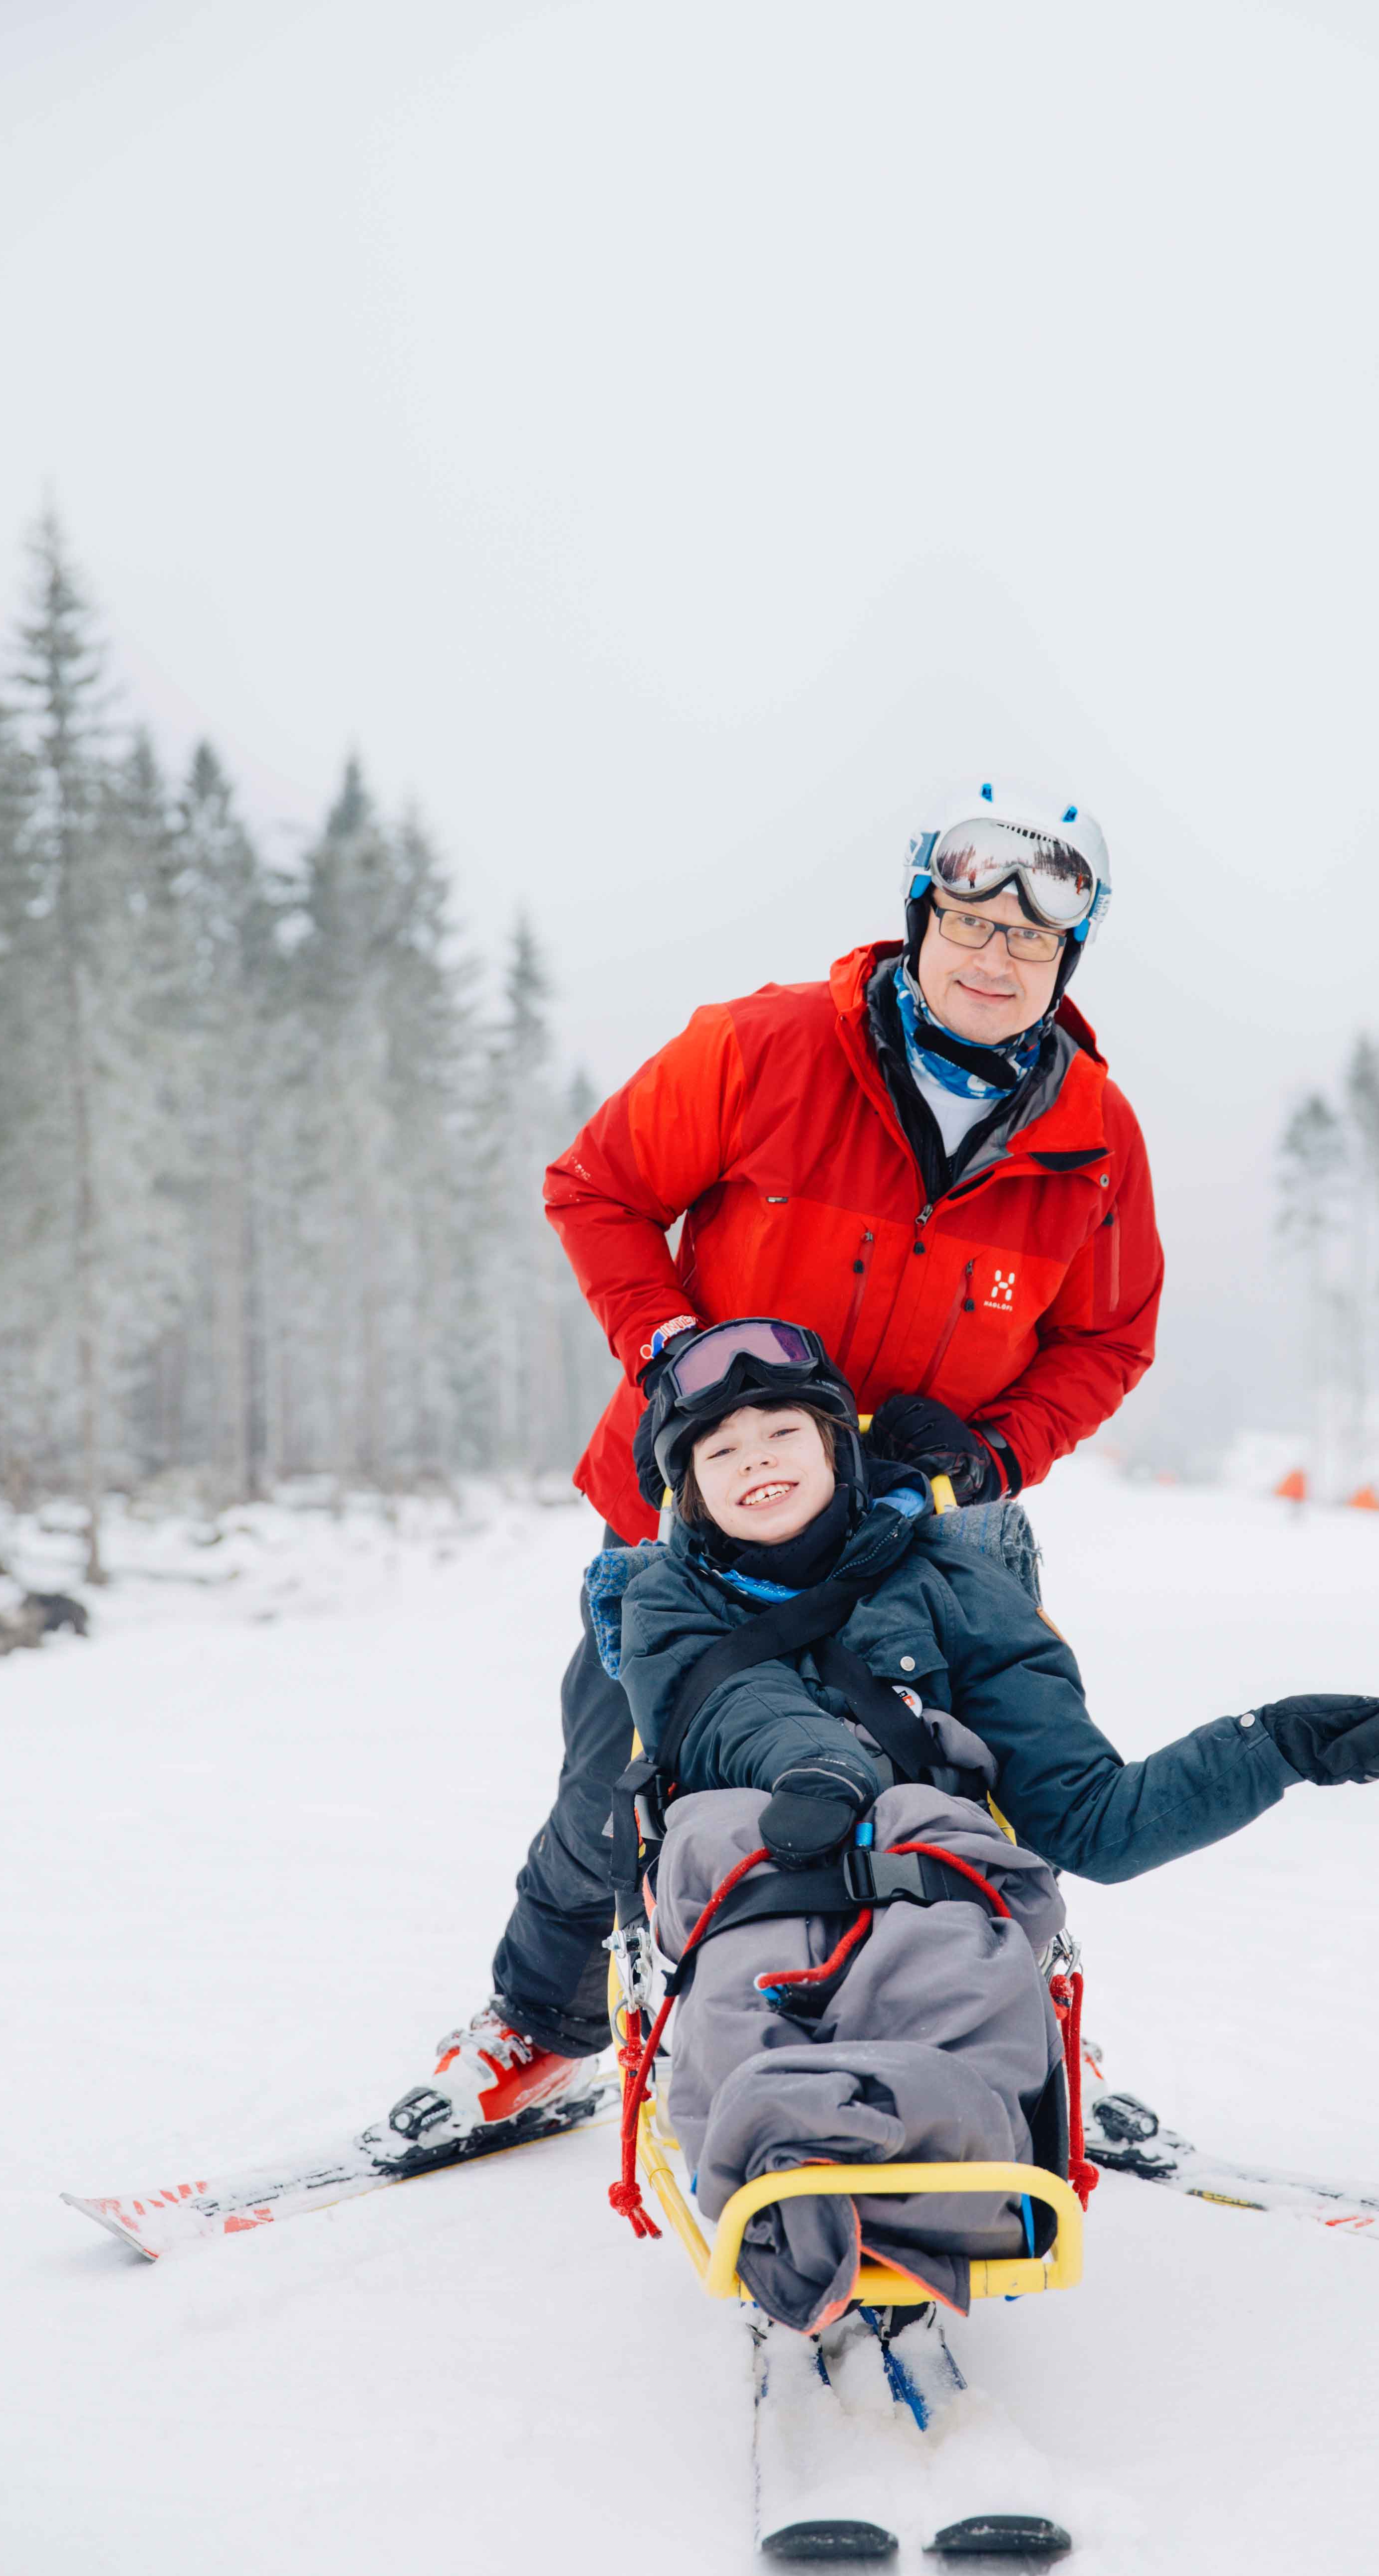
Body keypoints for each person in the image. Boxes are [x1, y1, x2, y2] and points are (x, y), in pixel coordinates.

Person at [389, 786, 1169, 2149]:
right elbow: (597, 1187)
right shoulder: (764, 1048)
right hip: (690, 1525)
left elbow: (1108, 1339)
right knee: (616, 1783)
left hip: (931, 1531)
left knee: (982, 1777)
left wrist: (991, 1455)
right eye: (971, 924)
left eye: (1028, 944)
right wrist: (679, 1360)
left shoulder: (1092, 1138)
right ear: (921, 917)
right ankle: (540, 2026)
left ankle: (1020, 2016)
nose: (993, 960)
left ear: (1065, 962)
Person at [596, 1324, 1379, 2324]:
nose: (755, 1459)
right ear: (689, 1490)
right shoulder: (663, 1597)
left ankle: (934, 2155)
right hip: (751, 1861)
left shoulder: (952, 1583)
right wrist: (822, 1770)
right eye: (719, 1450)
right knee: (752, 1939)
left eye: (782, 1433)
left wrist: (1272, 1748)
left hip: (932, 1864)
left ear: (837, 1450)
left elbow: (1091, 1818)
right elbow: (727, 1709)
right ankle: (789, 2158)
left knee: (948, 1943)